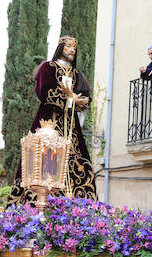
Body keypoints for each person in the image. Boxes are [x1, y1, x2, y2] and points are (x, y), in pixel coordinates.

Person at [8, 35, 97, 204]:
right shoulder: (48, 67)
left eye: (74, 48)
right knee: (42, 162)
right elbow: (44, 92)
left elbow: (85, 95)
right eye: (69, 46)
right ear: (61, 48)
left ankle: (79, 206)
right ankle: (39, 203)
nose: (72, 50)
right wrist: (71, 100)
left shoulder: (76, 73)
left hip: (71, 129)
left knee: (78, 164)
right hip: (48, 123)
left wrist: (81, 102)